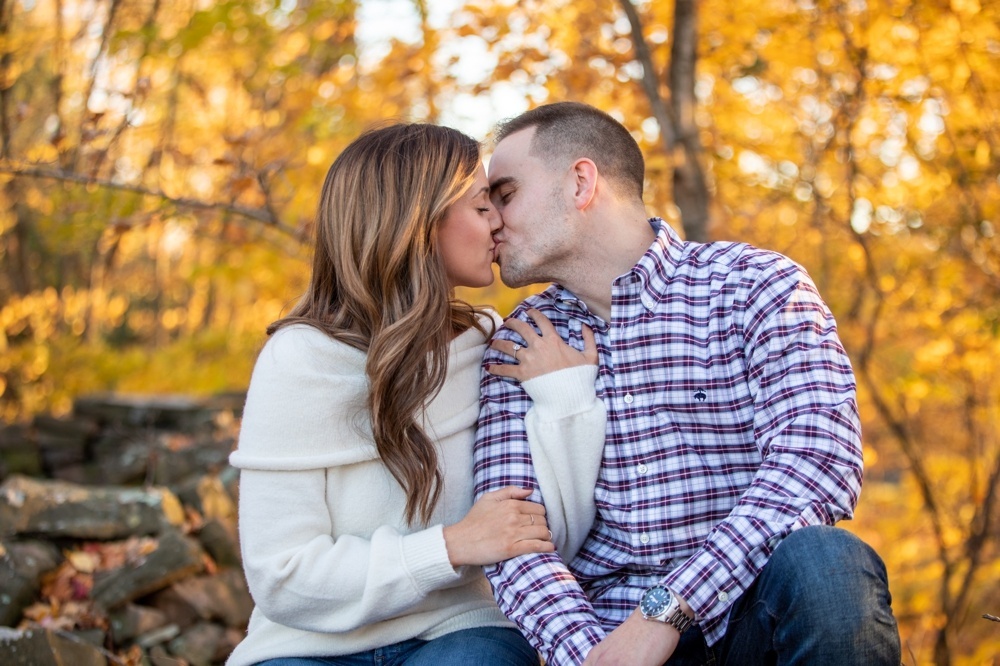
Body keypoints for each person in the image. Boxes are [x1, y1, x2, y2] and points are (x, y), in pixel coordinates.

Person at [474, 102, 901, 666]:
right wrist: (594, 657)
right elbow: (514, 540)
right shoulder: (521, 341)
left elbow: (817, 462)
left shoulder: (755, 286)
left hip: (751, 618)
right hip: (605, 637)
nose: (492, 220)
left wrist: (667, 611)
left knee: (828, 564)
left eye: (505, 194)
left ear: (580, 182)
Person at [226, 123, 603, 666]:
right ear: (419, 227)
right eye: (481, 207)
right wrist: (448, 547)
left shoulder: (492, 344)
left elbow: (543, 536)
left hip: (461, 633)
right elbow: (281, 577)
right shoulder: (301, 361)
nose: (499, 221)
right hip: (308, 647)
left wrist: (567, 401)